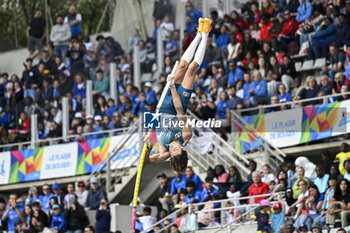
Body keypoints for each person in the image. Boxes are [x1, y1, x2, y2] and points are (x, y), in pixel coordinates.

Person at [143, 18, 213, 172]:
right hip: (178, 102)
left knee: (181, 66)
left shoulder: (163, 152)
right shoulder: (186, 135)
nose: (173, 147)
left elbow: (146, 162)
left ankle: (199, 34)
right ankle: (204, 33)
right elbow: (180, 110)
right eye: (177, 149)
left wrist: (148, 146)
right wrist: (173, 87)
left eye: (172, 151)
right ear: (184, 149)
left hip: (162, 107)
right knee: (191, 68)